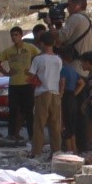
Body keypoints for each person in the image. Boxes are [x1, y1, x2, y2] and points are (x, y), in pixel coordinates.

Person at [0, 25, 39, 142]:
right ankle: (12, 134)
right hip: (14, 84)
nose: (14, 37)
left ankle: (31, 135)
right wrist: (6, 73)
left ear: (21, 36)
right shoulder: (9, 51)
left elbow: (40, 58)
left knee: (29, 111)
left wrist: (33, 70)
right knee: (13, 110)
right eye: (12, 35)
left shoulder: (30, 48)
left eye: (16, 35)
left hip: (27, 83)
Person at [27, 30, 62, 159]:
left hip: (42, 92)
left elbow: (31, 76)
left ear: (42, 43)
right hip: (55, 93)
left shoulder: (38, 59)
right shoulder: (58, 60)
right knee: (55, 125)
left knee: (39, 124)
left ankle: (36, 151)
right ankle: (56, 151)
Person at [57, 45, 85, 153]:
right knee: (72, 123)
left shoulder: (63, 69)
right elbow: (82, 83)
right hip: (72, 97)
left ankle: (69, 148)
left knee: (65, 123)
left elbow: (62, 82)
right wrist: (75, 93)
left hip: (65, 97)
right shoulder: (73, 69)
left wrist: (60, 95)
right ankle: (74, 147)